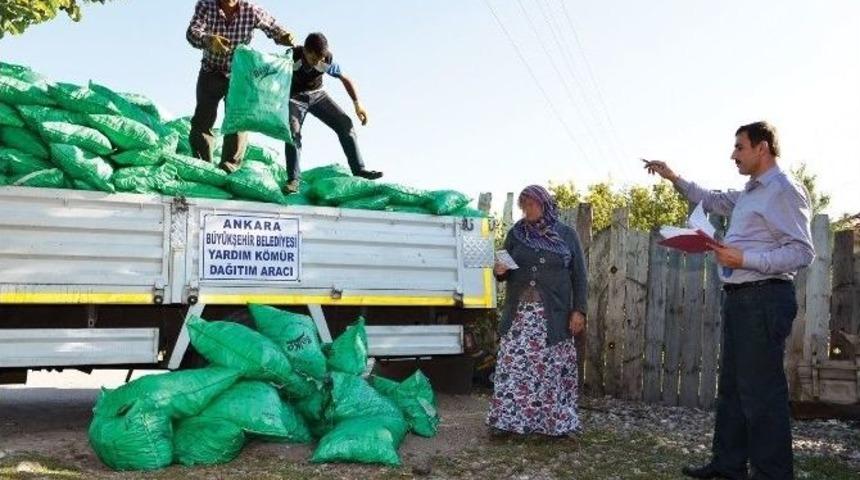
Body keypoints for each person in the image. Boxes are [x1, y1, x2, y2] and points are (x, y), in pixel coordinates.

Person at [644, 121, 815, 480]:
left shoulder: (784, 190)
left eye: (739, 147)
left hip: (766, 298)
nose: (733, 154)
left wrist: (745, 259)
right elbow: (711, 200)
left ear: (762, 148)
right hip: (741, 299)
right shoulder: (750, 192)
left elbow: (802, 252)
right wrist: (673, 177)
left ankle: (772, 474)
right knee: (735, 389)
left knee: (762, 394)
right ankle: (728, 465)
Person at [487, 185, 587, 438]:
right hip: (519, 315)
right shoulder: (516, 234)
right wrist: (500, 271)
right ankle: (509, 422)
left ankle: (553, 425)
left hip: (553, 316)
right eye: (524, 205)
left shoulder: (566, 234)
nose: (527, 210)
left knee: (551, 371)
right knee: (514, 368)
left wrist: (579, 311)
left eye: (532, 205)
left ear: (545, 205)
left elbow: (580, 277)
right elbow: (504, 269)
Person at [186, 0, 294, 173]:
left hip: (239, 75)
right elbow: (192, 33)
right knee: (203, 120)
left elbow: (272, 27)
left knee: (238, 120)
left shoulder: (251, 10)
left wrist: (283, 36)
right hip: (211, 71)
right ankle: (203, 166)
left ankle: (229, 167)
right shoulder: (206, 5)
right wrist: (208, 40)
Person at [283, 32, 382, 193]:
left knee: (345, 123)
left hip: (318, 95)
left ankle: (359, 170)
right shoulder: (293, 57)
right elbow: (273, 73)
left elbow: (345, 79)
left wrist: (358, 105)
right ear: (306, 52)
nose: (317, 63)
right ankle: (293, 180)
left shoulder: (326, 60)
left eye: (320, 60)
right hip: (295, 98)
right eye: (314, 59)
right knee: (293, 133)